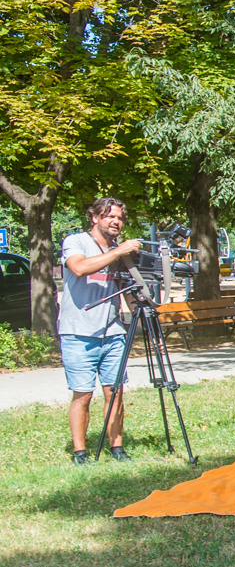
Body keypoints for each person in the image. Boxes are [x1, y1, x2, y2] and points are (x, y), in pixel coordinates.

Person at [60, 197, 142, 465]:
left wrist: (146, 314)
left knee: (115, 391)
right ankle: (80, 453)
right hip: (78, 332)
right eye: (110, 216)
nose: (116, 222)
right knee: (83, 394)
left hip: (113, 332)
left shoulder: (119, 251)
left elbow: (129, 291)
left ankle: (117, 449)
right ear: (95, 218)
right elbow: (80, 267)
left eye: (119, 217)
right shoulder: (75, 241)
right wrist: (118, 253)